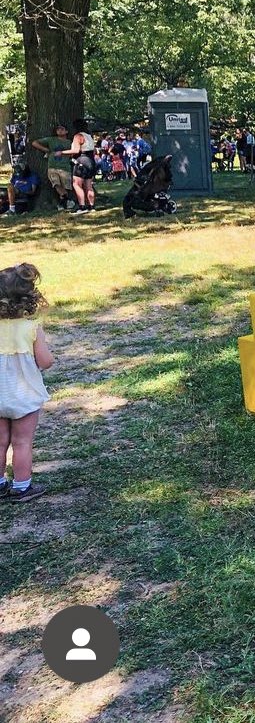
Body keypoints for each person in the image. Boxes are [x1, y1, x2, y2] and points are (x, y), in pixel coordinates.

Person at [0, 263, 54, 503]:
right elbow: (45, 361)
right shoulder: (31, 328)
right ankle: (21, 487)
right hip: (23, 395)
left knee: (0, 442)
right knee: (22, 442)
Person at [29, 124, 74, 210]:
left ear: (66, 131)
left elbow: (73, 152)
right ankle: (67, 200)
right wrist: (45, 150)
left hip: (65, 167)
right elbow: (34, 143)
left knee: (65, 187)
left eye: (62, 129)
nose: (60, 130)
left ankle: (63, 203)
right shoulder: (51, 140)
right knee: (56, 184)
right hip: (52, 166)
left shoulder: (69, 142)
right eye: (58, 129)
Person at [59, 119, 97, 214]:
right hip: (91, 161)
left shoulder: (78, 136)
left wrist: (61, 152)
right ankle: (91, 206)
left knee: (77, 184)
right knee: (89, 185)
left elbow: (76, 150)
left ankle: (82, 206)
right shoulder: (89, 136)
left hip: (81, 160)